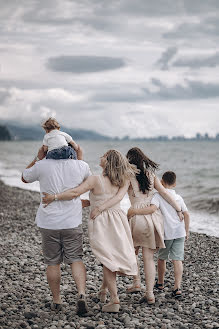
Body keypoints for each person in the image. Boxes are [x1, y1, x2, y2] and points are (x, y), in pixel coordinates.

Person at [42, 150, 138, 313]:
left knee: (107, 259)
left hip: (101, 220)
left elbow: (74, 192)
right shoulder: (123, 179)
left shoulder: (95, 179)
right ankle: (103, 292)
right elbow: (116, 198)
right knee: (111, 256)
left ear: (107, 162)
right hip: (118, 219)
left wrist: (54, 197)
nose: (100, 157)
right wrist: (91, 204)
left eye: (103, 156)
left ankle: (115, 300)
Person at [21, 145, 91, 315]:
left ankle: (57, 301)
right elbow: (86, 185)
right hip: (72, 221)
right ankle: (81, 294)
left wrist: (38, 158)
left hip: (49, 222)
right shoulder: (81, 166)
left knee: (53, 262)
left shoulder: (42, 165)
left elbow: (24, 177)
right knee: (76, 259)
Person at [126, 147, 183, 305]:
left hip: (136, 216)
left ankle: (136, 281)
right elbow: (165, 193)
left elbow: (117, 195)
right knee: (149, 258)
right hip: (153, 218)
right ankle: (150, 293)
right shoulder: (151, 175)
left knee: (132, 252)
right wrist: (178, 210)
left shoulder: (128, 176)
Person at [129, 171, 190, 298]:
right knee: (177, 259)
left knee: (162, 259)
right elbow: (186, 214)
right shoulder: (179, 198)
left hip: (167, 234)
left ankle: (160, 283)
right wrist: (187, 230)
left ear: (161, 182)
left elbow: (152, 209)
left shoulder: (158, 196)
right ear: (175, 184)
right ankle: (177, 287)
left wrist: (135, 211)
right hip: (179, 233)